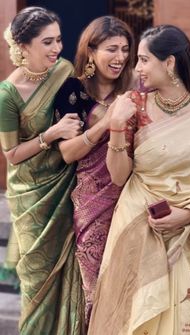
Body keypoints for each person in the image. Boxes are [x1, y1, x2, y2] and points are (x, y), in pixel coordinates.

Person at [88, 25, 190, 334]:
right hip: (136, 224)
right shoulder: (134, 107)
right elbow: (118, 176)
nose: (137, 67)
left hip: (187, 236)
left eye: (144, 60)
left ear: (169, 63)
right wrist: (115, 125)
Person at [0, 7, 85, 334]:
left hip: (67, 188)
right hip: (32, 199)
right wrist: (50, 135)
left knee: (69, 281)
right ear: (23, 46)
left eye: (59, 40)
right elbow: (11, 154)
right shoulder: (7, 94)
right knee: (37, 287)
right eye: (47, 42)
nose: (56, 49)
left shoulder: (64, 70)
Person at [53, 15, 136, 326]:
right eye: (112, 49)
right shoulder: (72, 91)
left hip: (132, 195)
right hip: (91, 201)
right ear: (91, 51)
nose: (121, 58)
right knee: (95, 287)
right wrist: (107, 122)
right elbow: (67, 152)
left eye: (126, 49)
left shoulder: (135, 90)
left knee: (129, 285)